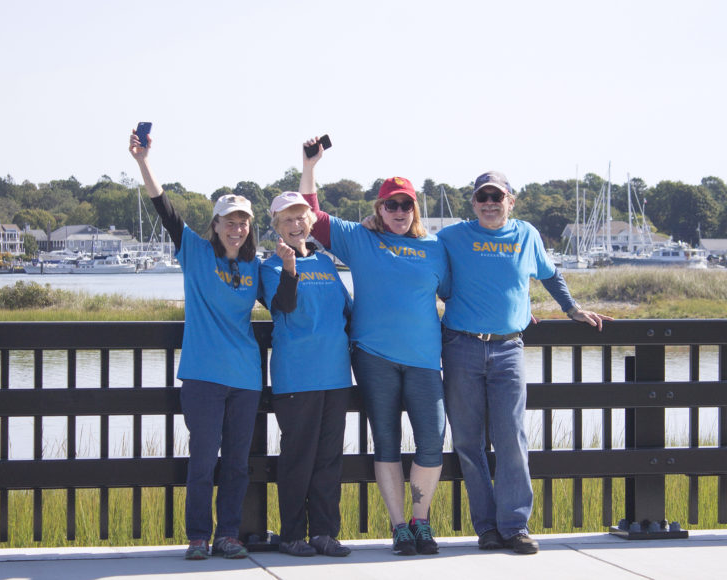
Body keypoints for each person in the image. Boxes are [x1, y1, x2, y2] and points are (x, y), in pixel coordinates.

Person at [129, 130, 290, 560]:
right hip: (202, 376)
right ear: (215, 225)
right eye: (229, 221)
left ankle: (229, 534)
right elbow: (163, 208)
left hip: (244, 378)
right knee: (202, 463)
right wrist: (143, 161)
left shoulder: (255, 267)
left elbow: (283, 306)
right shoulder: (195, 252)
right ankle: (199, 535)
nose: (237, 229)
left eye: (243, 222)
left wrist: (293, 264)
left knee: (236, 464)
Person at [437, 171, 612, 555]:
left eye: (496, 197)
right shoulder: (450, 237)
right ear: (473, 203)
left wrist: (573, 309)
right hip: (461, 347)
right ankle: (486, 529)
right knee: (468, 442)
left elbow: (550, 275)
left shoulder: (526, 235)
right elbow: (418, 260)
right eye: (482, 197)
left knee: (512, 439)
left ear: (510, 201)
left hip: (508, 350)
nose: (489, 203)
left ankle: (515, 526)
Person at [300, 137, 449, 556]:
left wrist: (517, 313)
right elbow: (312, 214)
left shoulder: (435, 249)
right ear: (379, 209)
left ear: (414, 209)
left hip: (423, 361)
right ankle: (399, 526)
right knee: (385, 443)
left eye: (406, 205)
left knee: (431, 443)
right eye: (391, 205)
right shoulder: (359, 239)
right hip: (373, 358)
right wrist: (310, 165)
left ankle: (421, 522)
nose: (399, 212)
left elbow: (464, 291)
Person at [259, 191, 354, 557]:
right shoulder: (269, 266)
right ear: (277, 226)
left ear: (310, 223)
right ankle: (292, 535)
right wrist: (288, 269)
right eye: (287, 220)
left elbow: (348, 312)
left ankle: (325, 533)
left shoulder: (328, 265)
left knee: (329, 459)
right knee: (299, 458)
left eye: (301, 218)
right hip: (297, 377)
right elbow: (283, 305)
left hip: (335, 375)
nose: (296, 224)